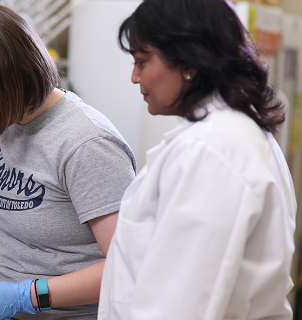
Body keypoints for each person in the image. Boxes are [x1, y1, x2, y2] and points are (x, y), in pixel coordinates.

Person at [0, 4, 136, 320]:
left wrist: (26, 296)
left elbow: (126, 265)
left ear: (10, 81)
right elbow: (44, 202)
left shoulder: (87, 143)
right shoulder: (15, 118)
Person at [98, 0, 296, 319]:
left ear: (188, 59)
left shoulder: (213, 150)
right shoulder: (230, 134)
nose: (135, 77)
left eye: (141, 61)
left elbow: (180, 307)